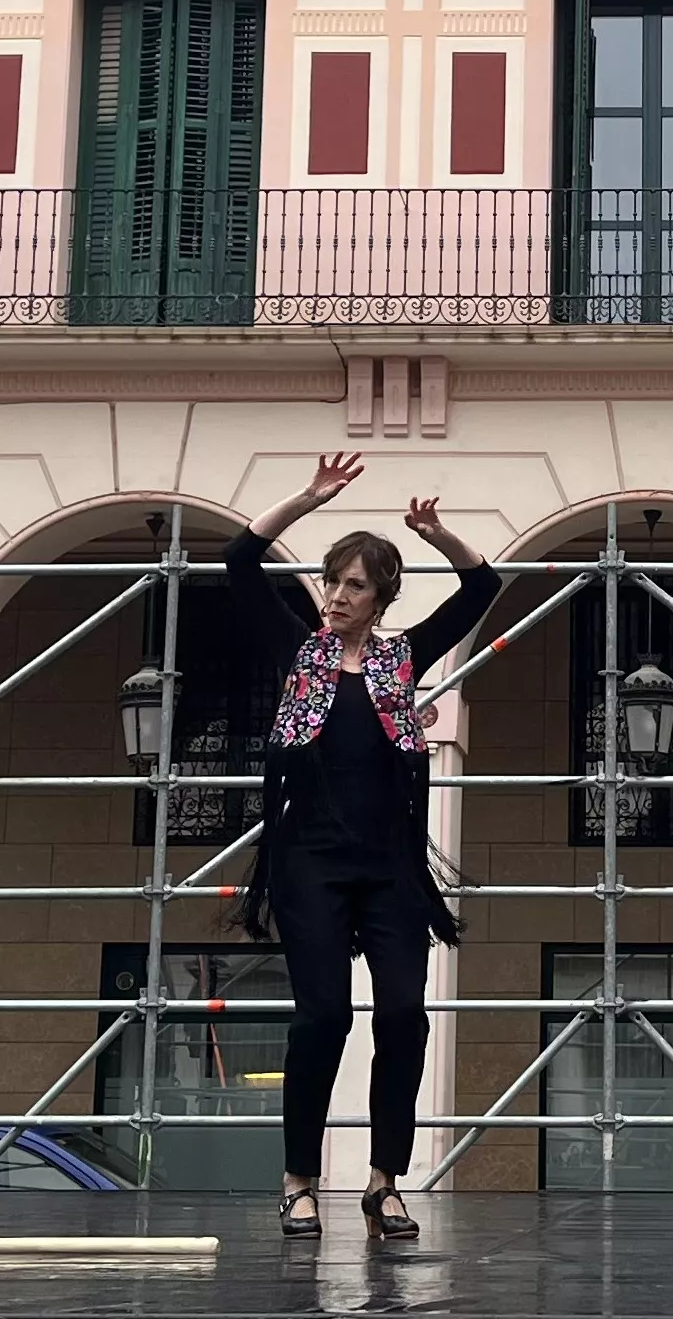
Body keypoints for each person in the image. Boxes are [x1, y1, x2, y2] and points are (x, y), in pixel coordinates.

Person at [224, 453, 505, 1242]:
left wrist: (437, 533)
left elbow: (482, 587)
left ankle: (384, 1184)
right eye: (331, 582)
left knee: (404, 1016)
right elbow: (239, 560)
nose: (337, 596)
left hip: (389, 868)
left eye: (354, 586)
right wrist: (307, 498)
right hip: (309, 863)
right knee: (322, 1018)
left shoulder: (400, 659)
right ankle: (298, 1182)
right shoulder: (298, 651)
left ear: (381, 597)